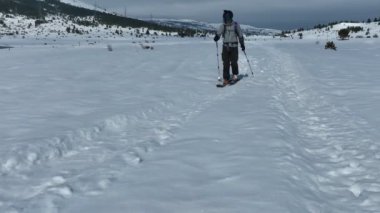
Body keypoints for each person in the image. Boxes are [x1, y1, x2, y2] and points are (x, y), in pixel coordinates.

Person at [214, 10, 245, 85]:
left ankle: (235, 75)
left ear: (230, 17)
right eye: (224, 17)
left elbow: (240, 36)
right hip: (225, 47)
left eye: (226, 17)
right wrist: (217, 37)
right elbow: (219, 33)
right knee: (226, 63)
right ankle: (226, 78)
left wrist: (242, 44)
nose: (225, 18)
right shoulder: (223, 25)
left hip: (234, 47)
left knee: (234, 61)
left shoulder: (236, 25)